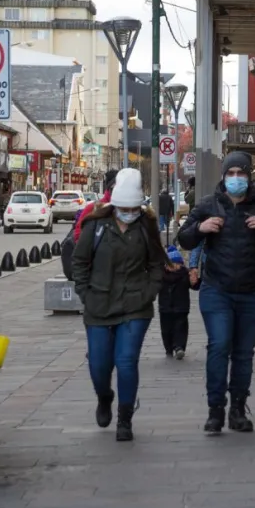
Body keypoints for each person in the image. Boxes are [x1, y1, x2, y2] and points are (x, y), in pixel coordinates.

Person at [178, 151, 255, 435]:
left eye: (240, 173)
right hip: (216, 289)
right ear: (223, 177)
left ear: (248, 176)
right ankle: (215, 409)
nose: (235, 178)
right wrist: (201, 228)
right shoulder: (208, 205)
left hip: (252, 293)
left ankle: (238, 409)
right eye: (230, 174)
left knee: (243, 353)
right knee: (219, 346)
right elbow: (183, 236)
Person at [72, 168, 165, 442]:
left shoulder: (146, 226)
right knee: (99, 364)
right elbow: (79, 262)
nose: (128, 212)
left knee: (126, 362)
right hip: (98, 305)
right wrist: (84, 293)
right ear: (114, 206)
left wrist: (150, 291)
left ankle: (125, 418)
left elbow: (157, 262)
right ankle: (105, 396)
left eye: (133, 208)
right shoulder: (95, 225)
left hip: (136, 305)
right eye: (123, 208)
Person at [159, 245, 196, 360]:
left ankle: (179, 347)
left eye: (176, 264)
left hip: (181, 307)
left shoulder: (185, 274)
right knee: (166, 330)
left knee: (180, 328)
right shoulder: (161, 276)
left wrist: (194, 280)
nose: (174, 267)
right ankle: (169, 348)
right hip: (165, 308)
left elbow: (194, 285)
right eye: (170, 265)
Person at [74, 169, 118, 242]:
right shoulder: (92, 208)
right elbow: (78, 234)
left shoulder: (129, 209)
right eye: (115, 188)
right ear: (109, 188)